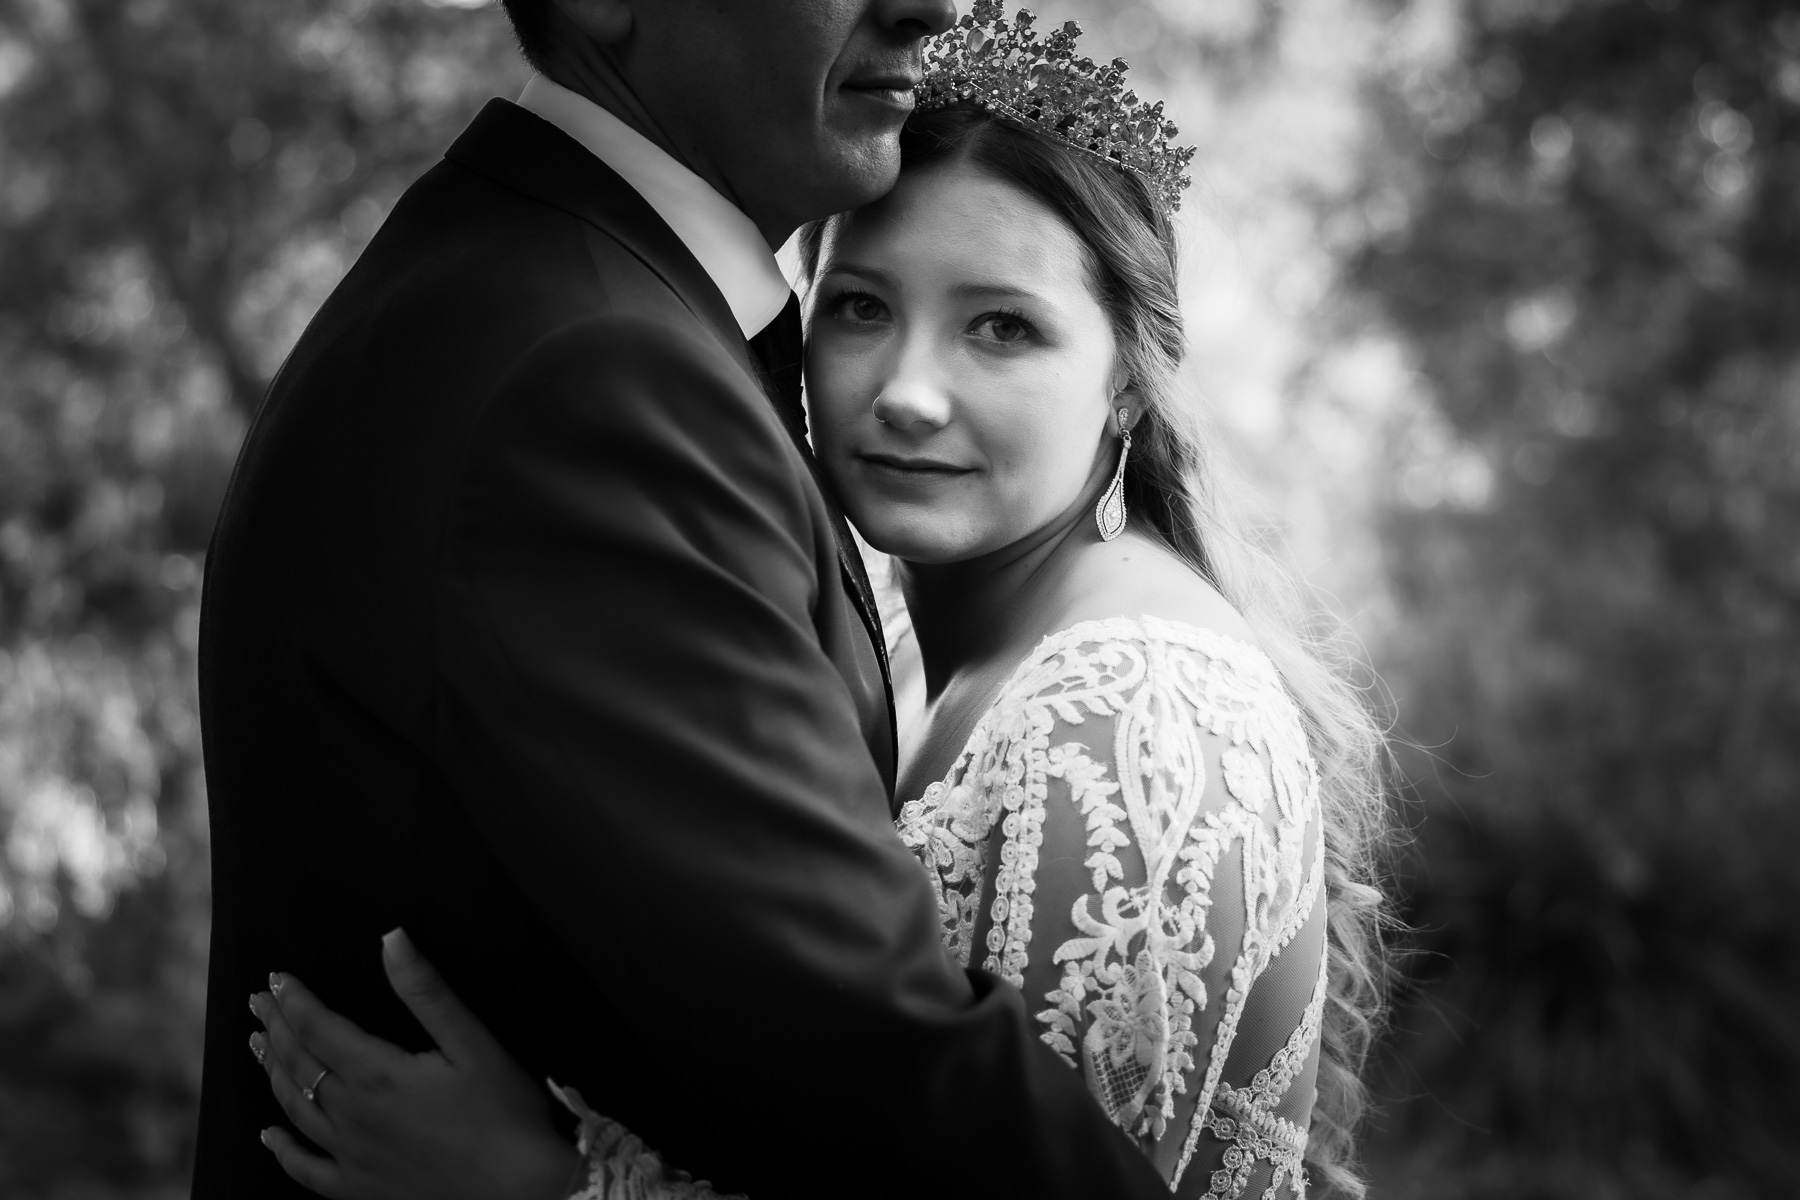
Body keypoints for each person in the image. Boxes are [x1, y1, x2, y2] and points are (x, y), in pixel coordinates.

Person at [241, 6, 1392, 1198]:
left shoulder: (1130, 709)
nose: (908, 394)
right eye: (860, 309)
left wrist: (555, 1185)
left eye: (1003, 328)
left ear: (1126, 385)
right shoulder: (915, 648)